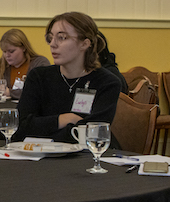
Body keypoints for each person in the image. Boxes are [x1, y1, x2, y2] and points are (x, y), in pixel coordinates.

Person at [12, 12, 122, 143]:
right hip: (39, 159)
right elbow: (19, 128)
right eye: (50, 38)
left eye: (62, 38)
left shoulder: (107, 82)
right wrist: (64, 119)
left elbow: (94, 133)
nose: (53, 44)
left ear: (85, 44)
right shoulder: (38, 77)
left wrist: (43, 129)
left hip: (86, 159)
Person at [0, 28, 50, 99]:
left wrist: (10, 93)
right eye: (4, 52)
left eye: (11, 51)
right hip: (3, 108)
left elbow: (41, 91)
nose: (7, 55)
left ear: (24, 48)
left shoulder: (40, 63)